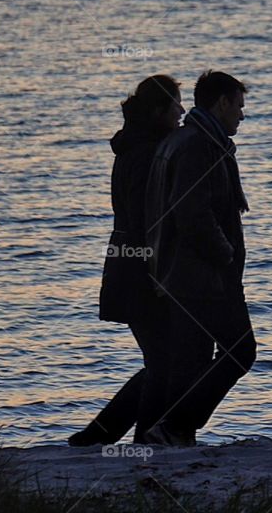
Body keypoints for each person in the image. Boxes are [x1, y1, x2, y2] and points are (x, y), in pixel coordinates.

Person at [68, 74, 185, 447]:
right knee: (165, 362)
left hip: (130, 263)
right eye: (175, 104)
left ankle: (98, 436)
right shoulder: (148, 153)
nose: (182, 110)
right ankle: (142, 439)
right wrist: (159, 271)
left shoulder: (138, 147)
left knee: (162, 360)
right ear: (157, 111)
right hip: (140, 269)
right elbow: (145, 219)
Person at [142, 70, 255, 446]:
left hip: (185, 273)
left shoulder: (191, 140)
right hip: (202, 275)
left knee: (190, 359)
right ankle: (173, 427)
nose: (242, 114)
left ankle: (173, 434)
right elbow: (192, 213)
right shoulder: (197, 144)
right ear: (221, 102)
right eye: (238, 105)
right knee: (240, 349)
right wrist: (224, 255)